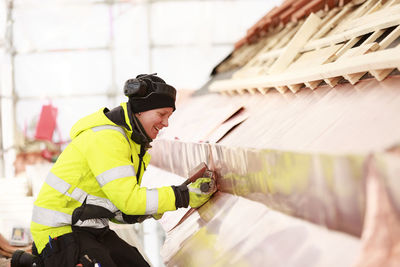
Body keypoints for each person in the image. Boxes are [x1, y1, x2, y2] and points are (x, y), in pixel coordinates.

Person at [30, 73, 215, 267]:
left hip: (88, 228)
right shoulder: (108, 139)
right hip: (59, 232)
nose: (166, 123)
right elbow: (129, 201)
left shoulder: (133, 144)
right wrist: (182, 196)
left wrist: (150, 210)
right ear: (140, 111)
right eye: (162, 114)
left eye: (169, 116)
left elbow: (116, 207)